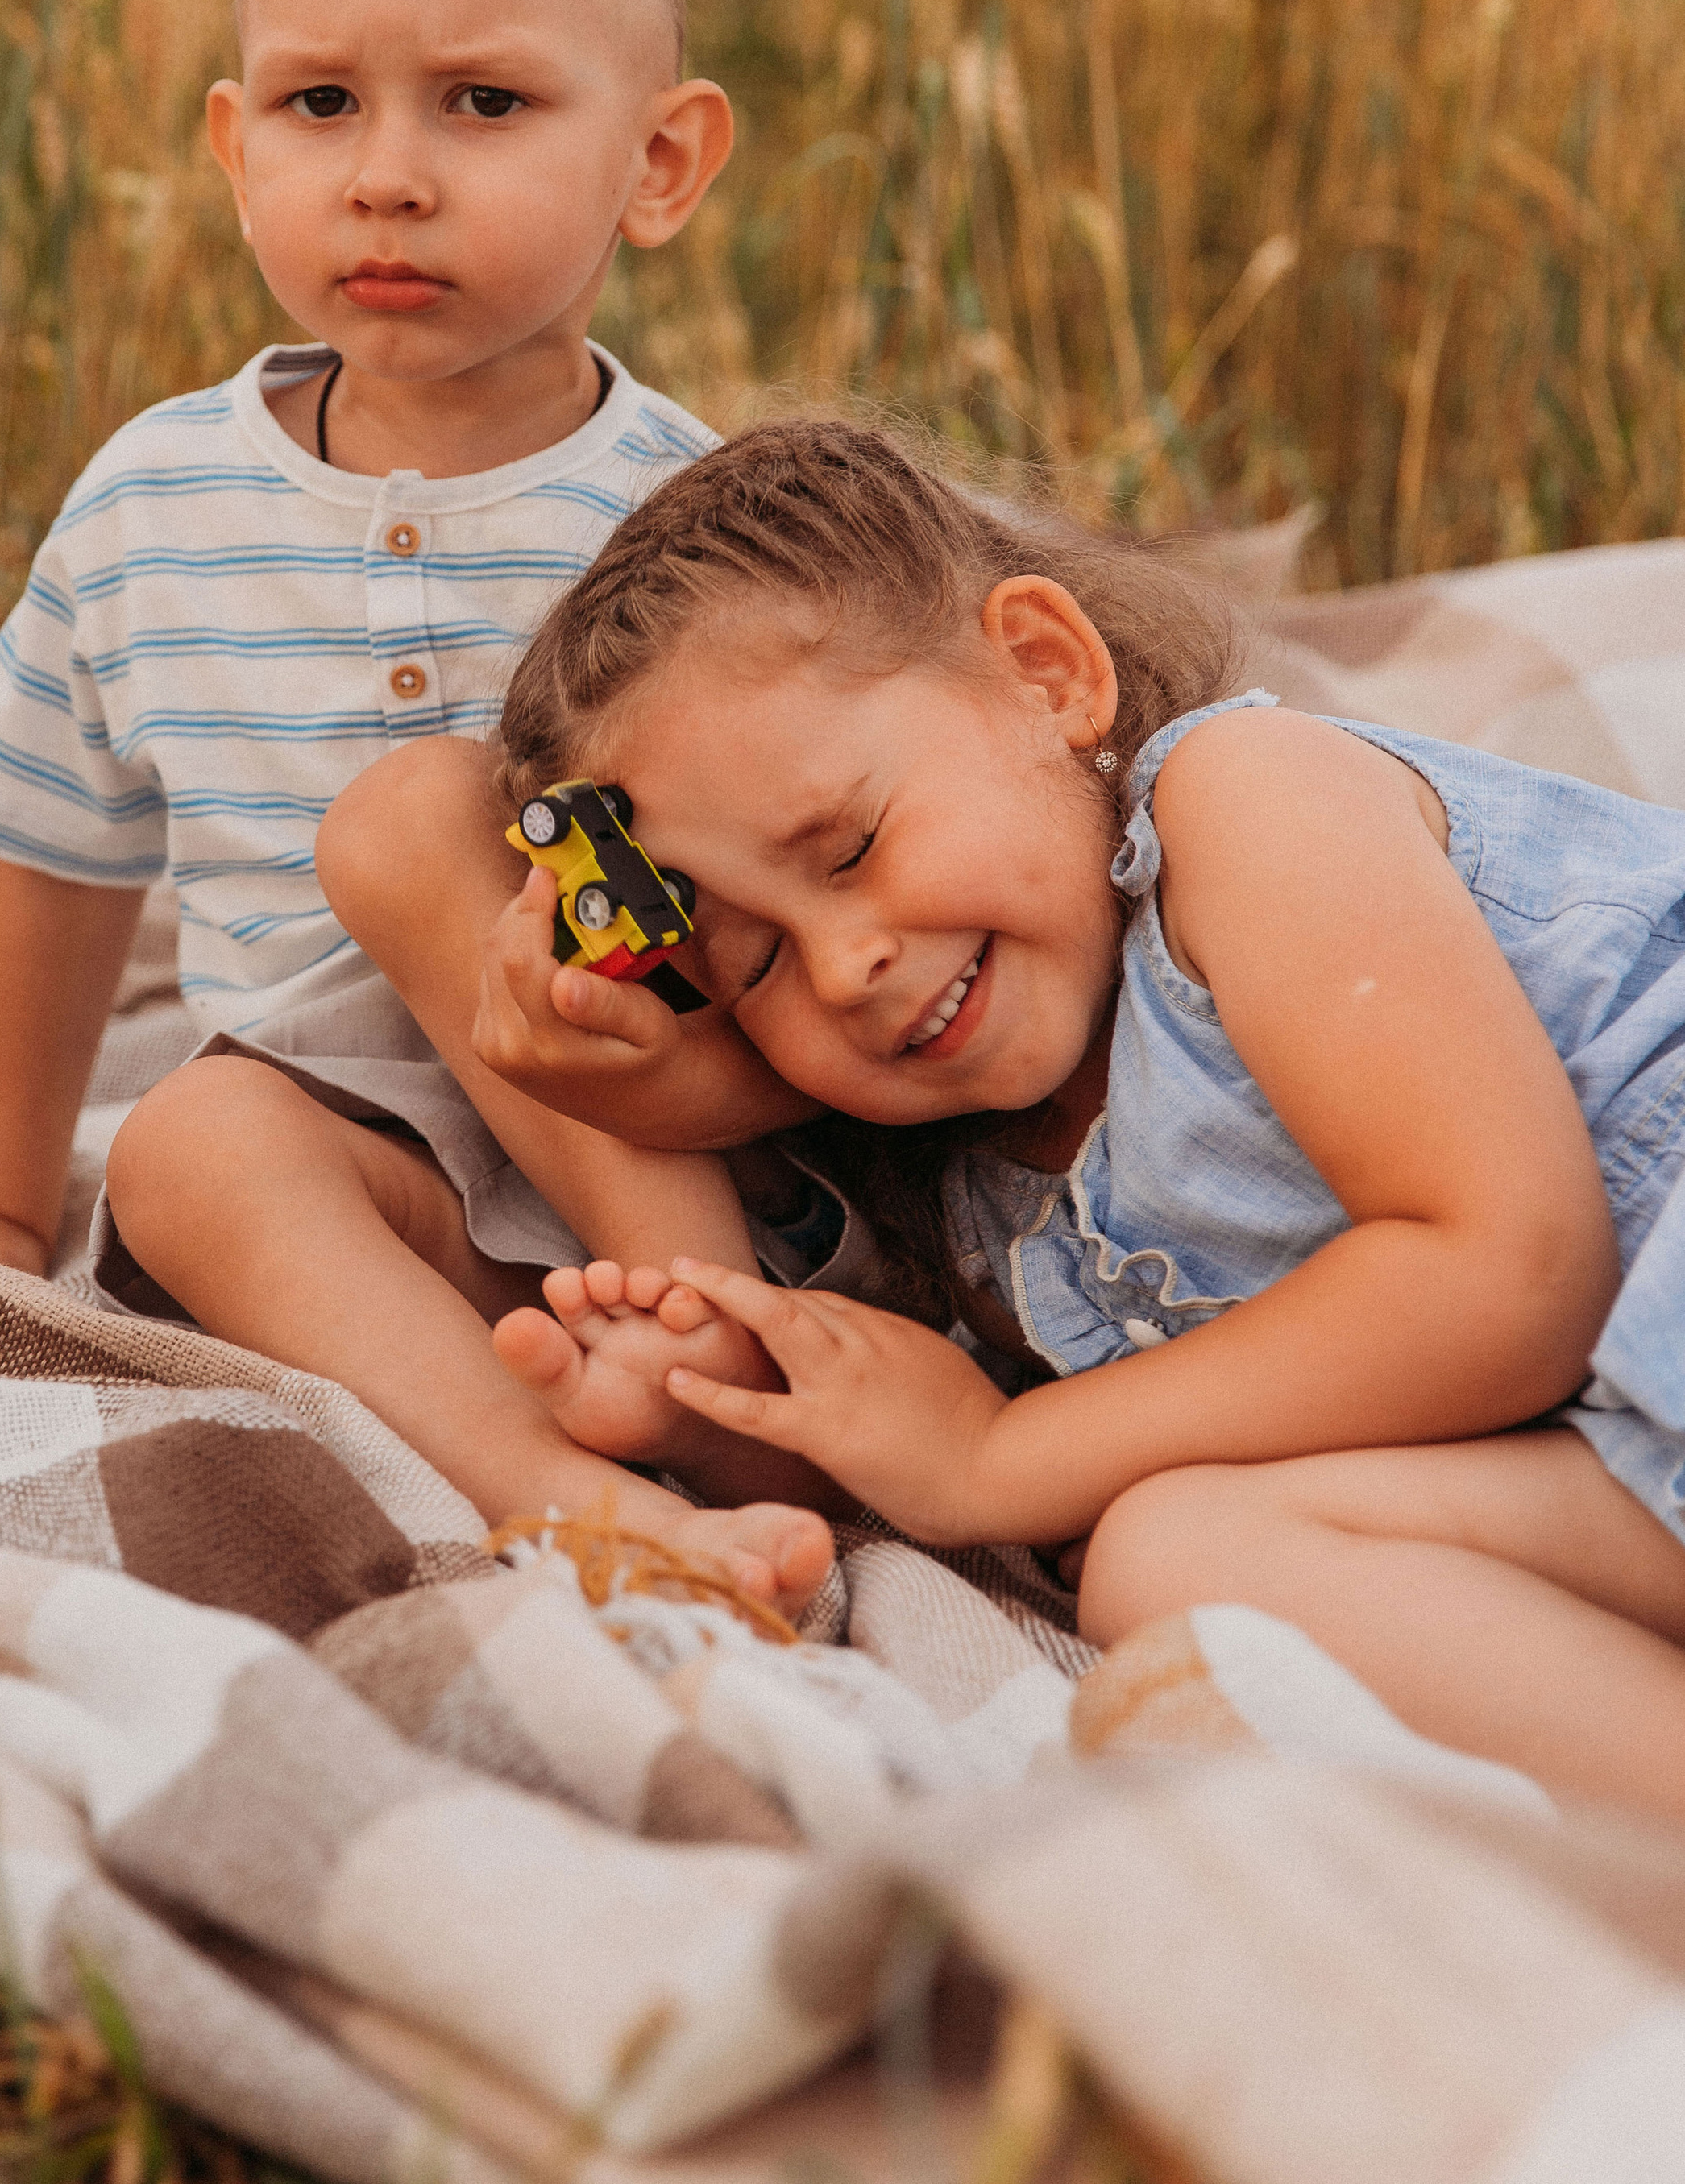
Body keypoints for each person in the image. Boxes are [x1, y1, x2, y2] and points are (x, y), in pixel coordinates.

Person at [0, 0, 836, 1613]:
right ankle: (559, 1492)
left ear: (657, 161)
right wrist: (3, 1202)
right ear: (236, 143)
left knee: (446, 858)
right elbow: (61, 852)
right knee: (187, 1146)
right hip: (367, 1212)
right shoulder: (155, 503)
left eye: (483, 106)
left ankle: (722, 1367)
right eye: (324, 104)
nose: (389, 177)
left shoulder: (696, 519)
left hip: (661, 1174)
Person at [463, 412, 1685, 1817]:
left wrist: (999, 1455)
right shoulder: (1004, 1215)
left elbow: (1505, 1273)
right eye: (754, 964)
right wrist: (709, 1382)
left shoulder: (1247, 807)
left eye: (852, 846)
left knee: (1161, 1544)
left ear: (1047, 673)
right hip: (1624, 1465)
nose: (845, 962)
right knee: (1176, 1559)